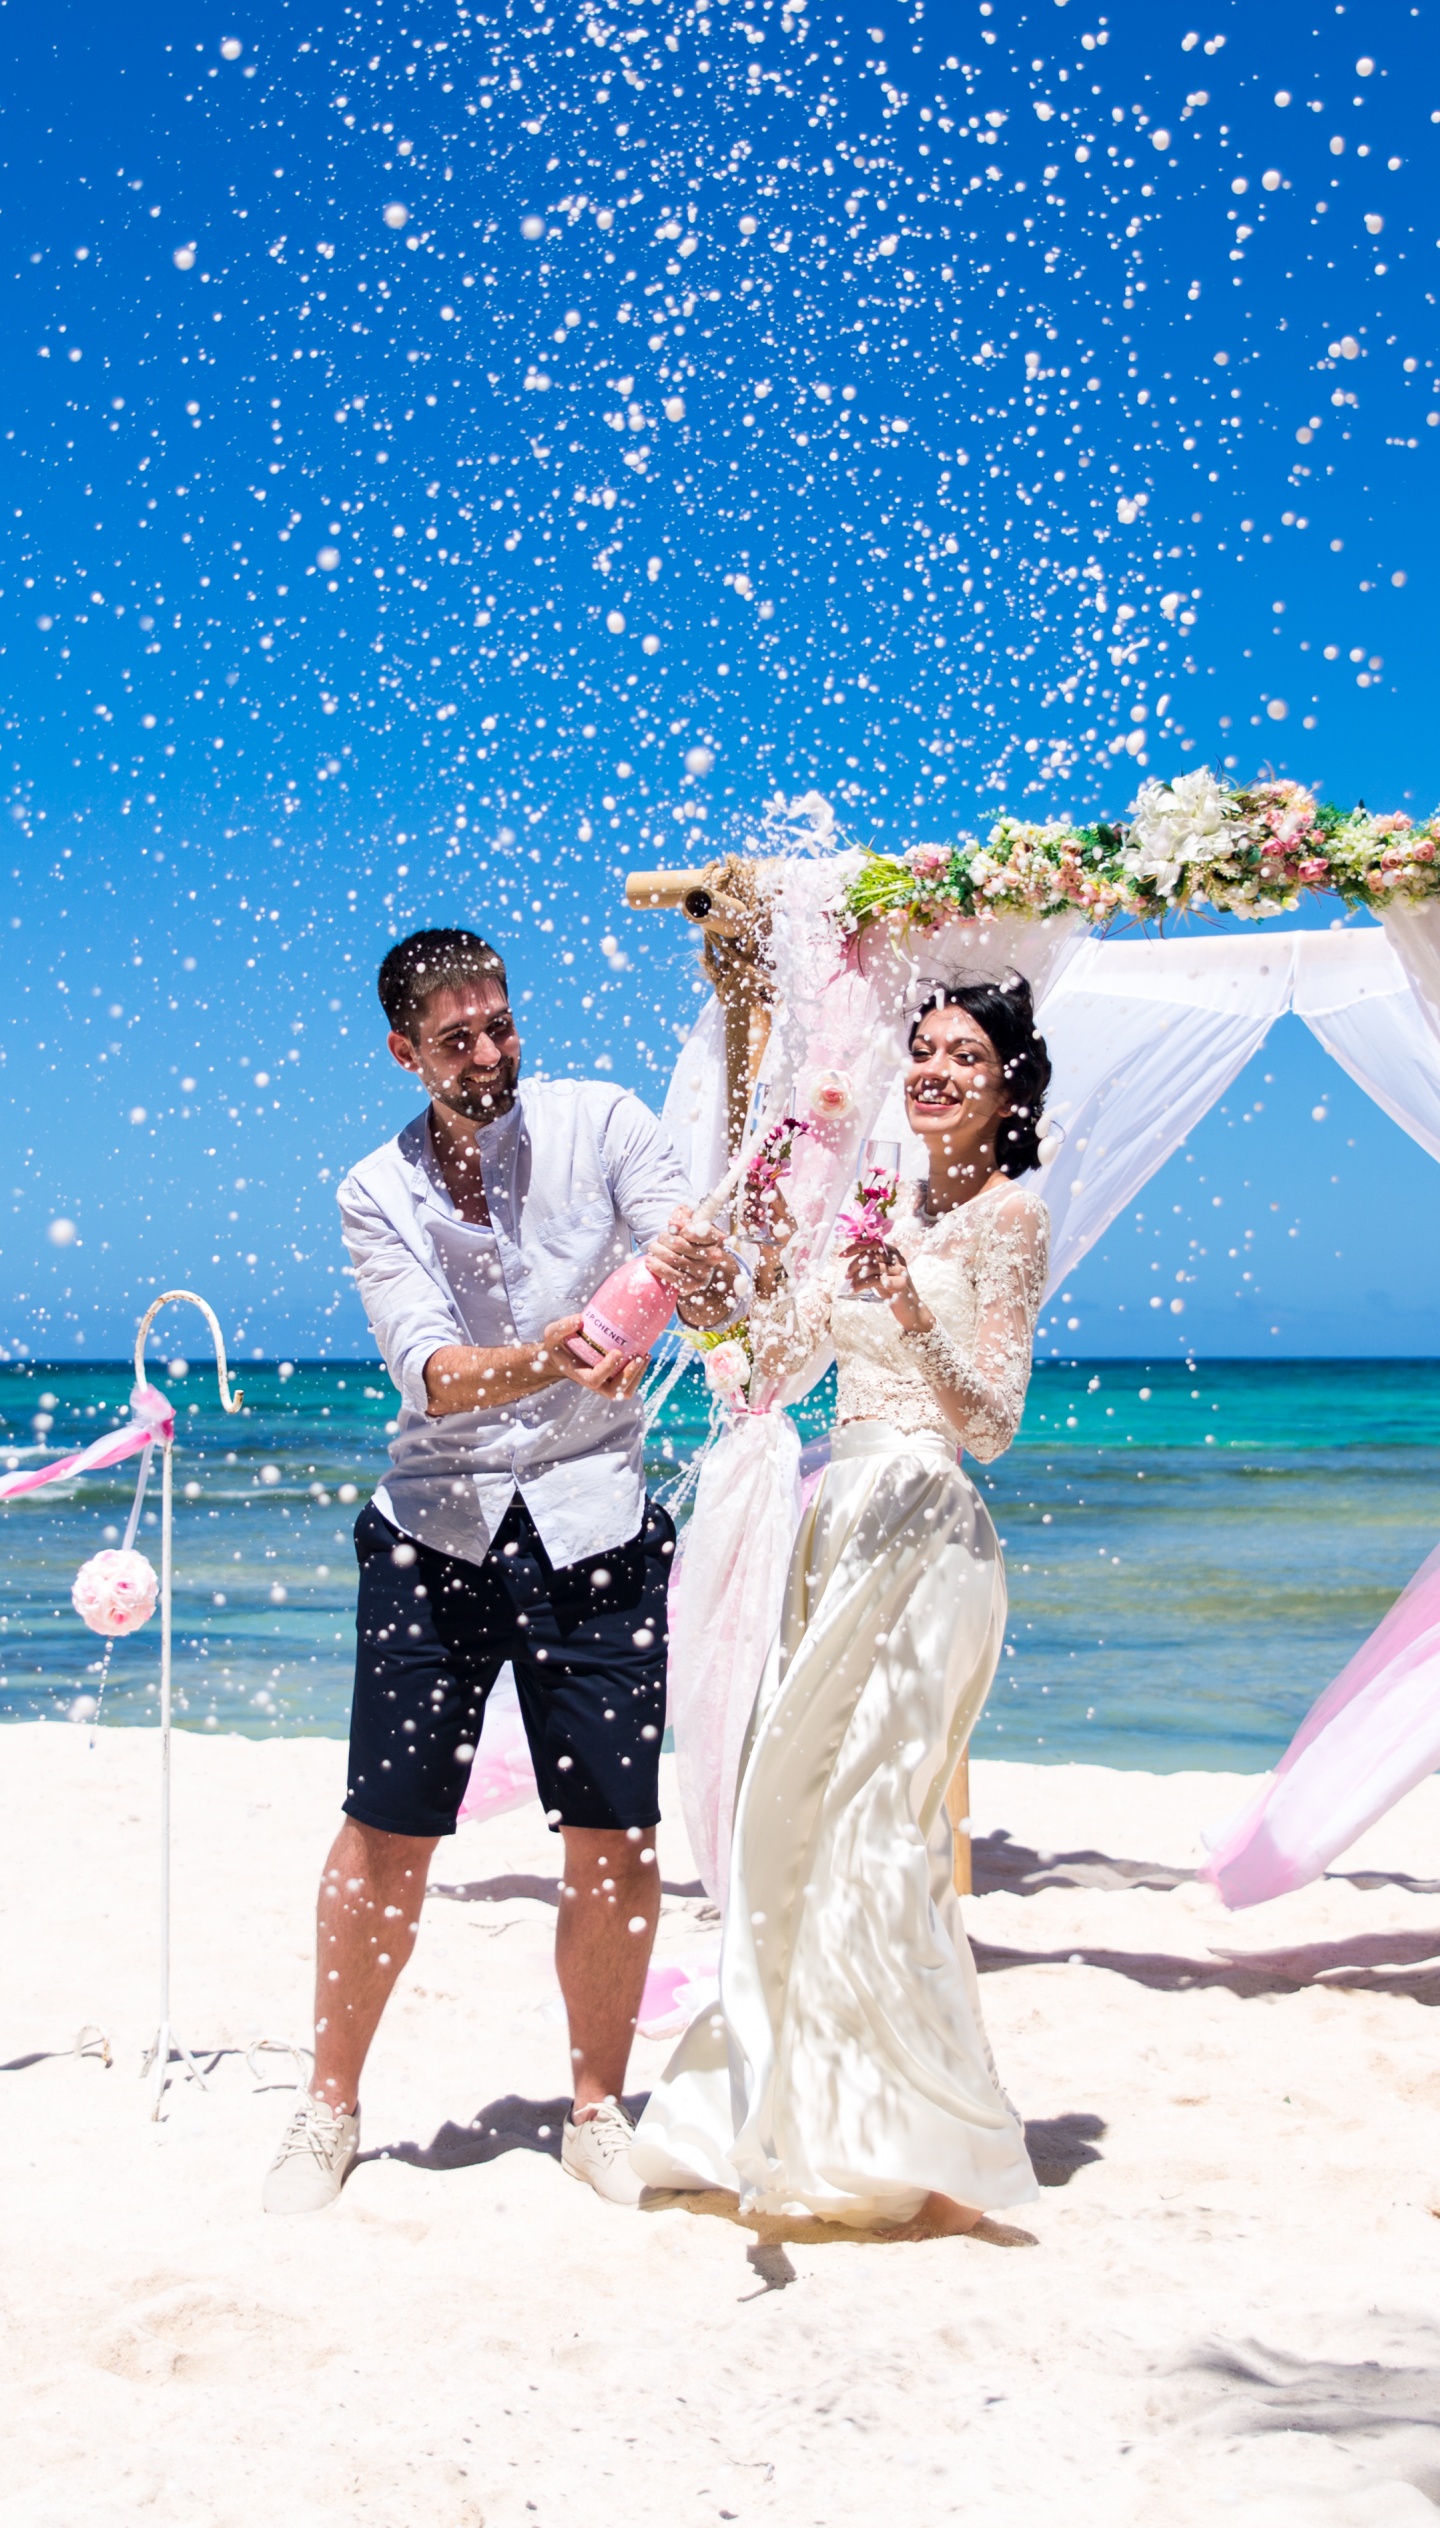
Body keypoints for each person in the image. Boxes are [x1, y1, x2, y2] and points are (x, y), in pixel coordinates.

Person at [263, 927, 743, 2214]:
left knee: (616, 1831)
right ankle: (329, 2105)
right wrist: (559, 1351)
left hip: (599, 1526)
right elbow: (431, 1372)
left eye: (501, 1024)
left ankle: (594, 2109)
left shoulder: (606, 1121)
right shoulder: (375, 1189)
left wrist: (700, 1278)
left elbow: (701, 1275)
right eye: (458, 1038)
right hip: (436, 1531)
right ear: (404, 1050)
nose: (489, 1053)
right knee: (386, 1831)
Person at [630, 976, 1051, 2236]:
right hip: (838, 1522)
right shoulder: (875, 1203)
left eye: (965, 1055)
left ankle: (894, 2132)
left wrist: (914, 1311)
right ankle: (786, 2106)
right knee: (793, 1812)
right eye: (924, 1048)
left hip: (929, 1527)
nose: (935, 1070)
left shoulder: (1013, 1218)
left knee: (883, 1825)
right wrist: (718, 1295)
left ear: (1007, 1088)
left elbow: (995, 1422)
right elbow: (766, 1369)